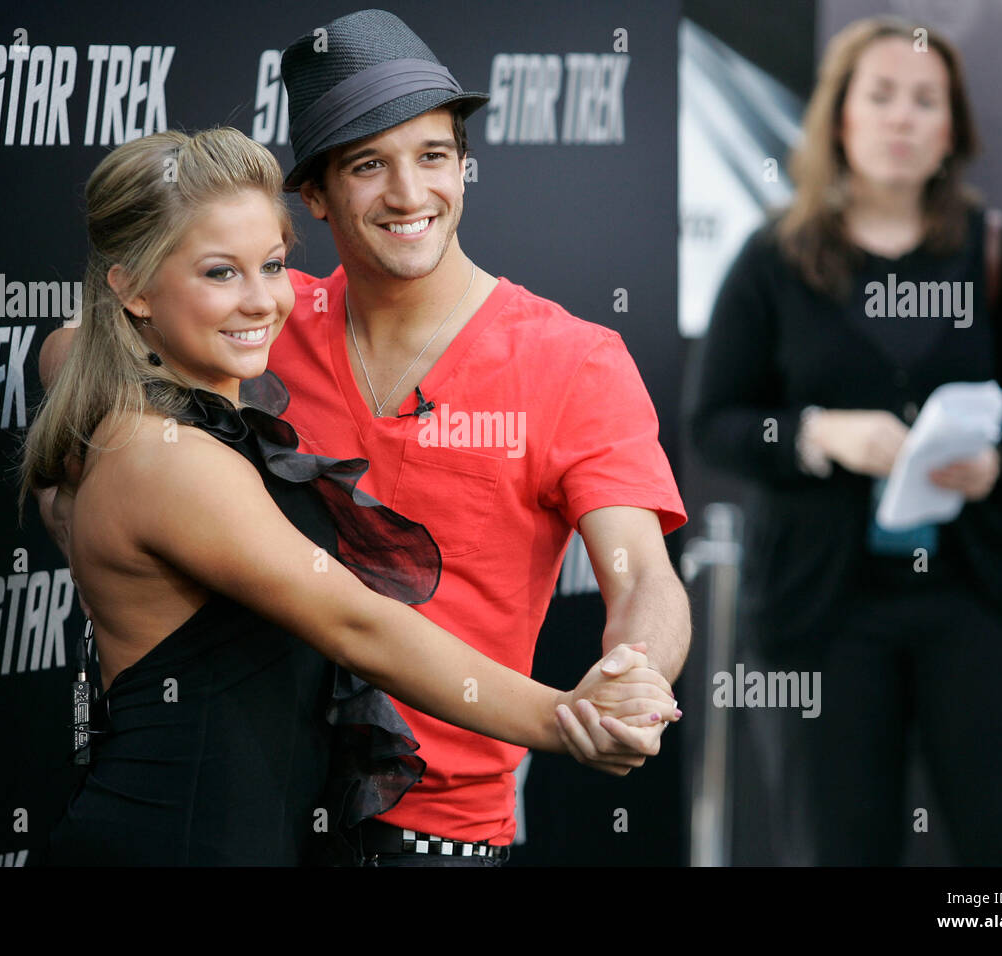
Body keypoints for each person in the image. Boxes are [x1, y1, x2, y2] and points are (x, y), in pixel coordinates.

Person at [41, 9, 691, 865]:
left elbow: (641, 572)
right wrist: (92, 488)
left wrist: (633, 679)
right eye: (368, 165)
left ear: (466, 167)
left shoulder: (574, 361)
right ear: (312, 195)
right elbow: (70, 354)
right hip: (268, 811)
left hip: (435, 828)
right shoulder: (261, 324)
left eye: (432, 157)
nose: (409, 195)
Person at [686, 15, 1002, 865]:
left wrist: (997, 461)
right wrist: (816, 434)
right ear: (841, 116)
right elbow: (712, 424)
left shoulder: (997, 251)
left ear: (950, 127)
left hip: (980, 598)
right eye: (881, 96)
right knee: (836, 844)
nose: (902, 117)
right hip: (823, 611)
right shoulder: (776, 258)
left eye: (924, 100)